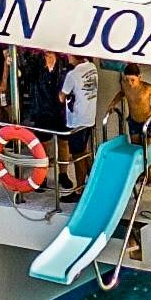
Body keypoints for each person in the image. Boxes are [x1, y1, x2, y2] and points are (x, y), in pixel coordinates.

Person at [58, 52, 99, 195]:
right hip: (89, 118)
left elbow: (61, 97)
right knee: (85, 152)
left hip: (76, 120)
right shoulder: (92, 67)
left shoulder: (72, 75)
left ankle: (79, 190)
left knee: (78, 155)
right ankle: (93, 184)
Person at [105, 62, 151, 145]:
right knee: (134, 146)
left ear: (139, 77)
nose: (130, 83)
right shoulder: (125, 86)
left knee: (146, 146)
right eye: (127, 80)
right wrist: (113, 103)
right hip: (133, 120)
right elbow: (122, 93)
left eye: (133, 80)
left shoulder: (147, 88)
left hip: (147, 119)